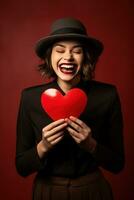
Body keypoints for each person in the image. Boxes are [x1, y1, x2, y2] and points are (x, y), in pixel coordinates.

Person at [15, 18, 125, 200]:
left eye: (77, 51)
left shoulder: (107, 95)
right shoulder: (30, 98)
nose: (68, 57)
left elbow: (118, 164)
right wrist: (43, 146)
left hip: (93, 191)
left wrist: (91, 145)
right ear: (49, 57)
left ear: (86, 57)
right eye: (60, 50)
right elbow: (22, 167)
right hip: (47, 192)